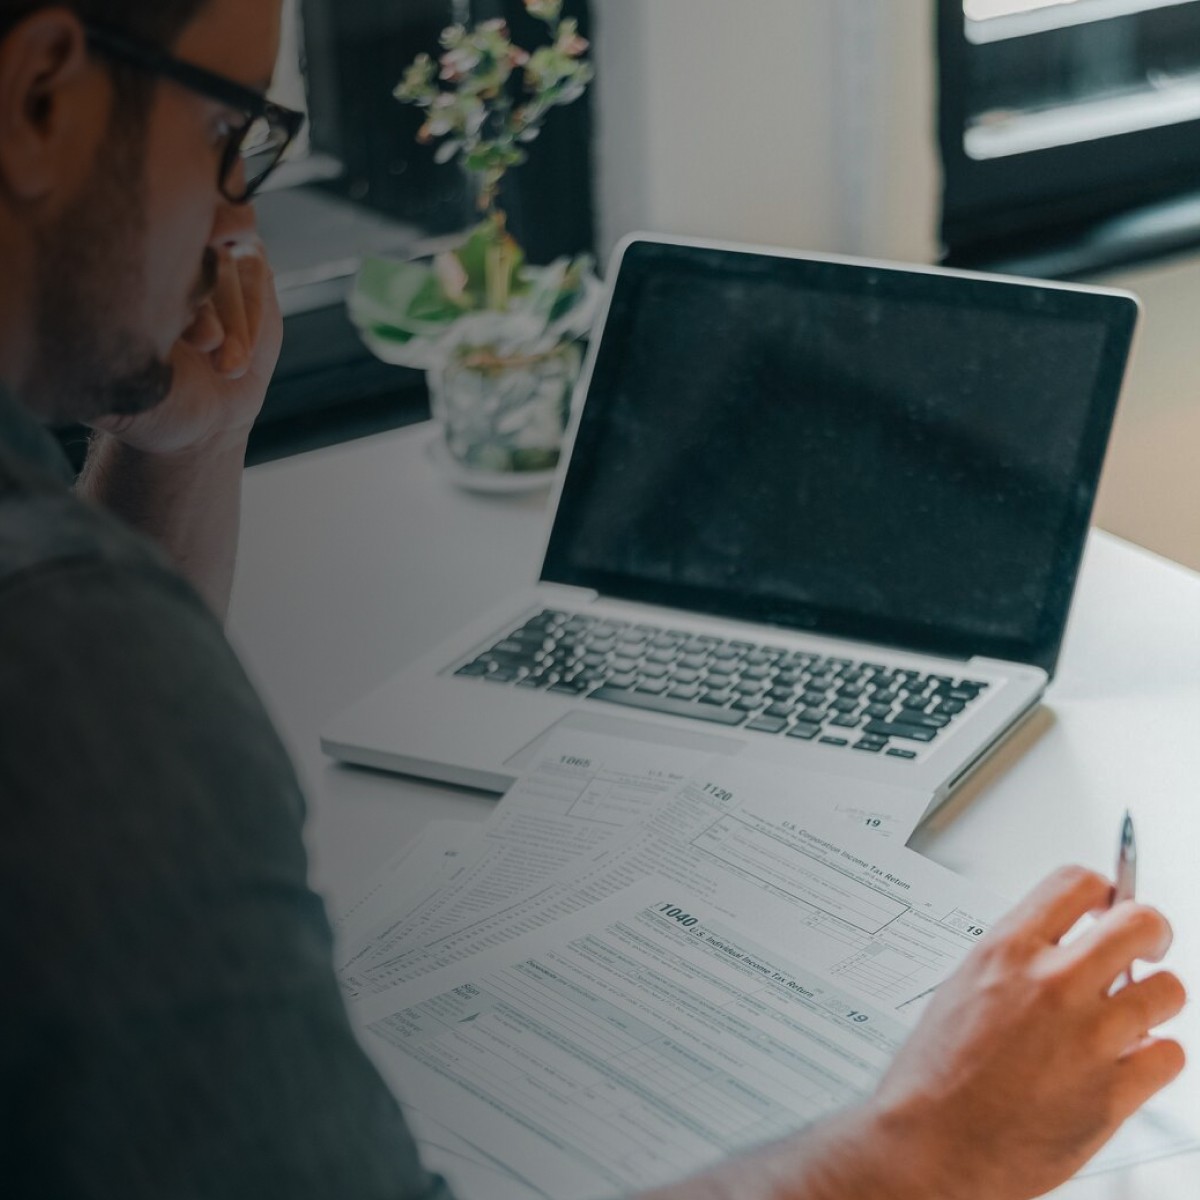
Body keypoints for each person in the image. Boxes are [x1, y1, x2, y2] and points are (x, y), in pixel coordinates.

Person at [0, 2, 1185, 1197]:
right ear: (42, 95)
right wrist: (929, 1145)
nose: (238, 217)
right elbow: (91, 695)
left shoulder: (65, 599)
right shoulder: (67, 637)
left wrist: (177, 450)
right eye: (232, 134)